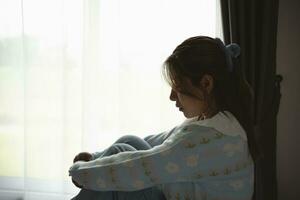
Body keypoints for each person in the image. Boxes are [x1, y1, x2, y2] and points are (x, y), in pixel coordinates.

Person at [69, 36, 257, 200]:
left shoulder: (209, 137)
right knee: (130, 142)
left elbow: (143, 165)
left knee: (123, 152)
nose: (172, 97)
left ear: (206, 83)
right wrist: (94, 158)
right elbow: (162, 141)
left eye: (177, 87)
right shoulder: (221, 124)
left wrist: (80, 173)